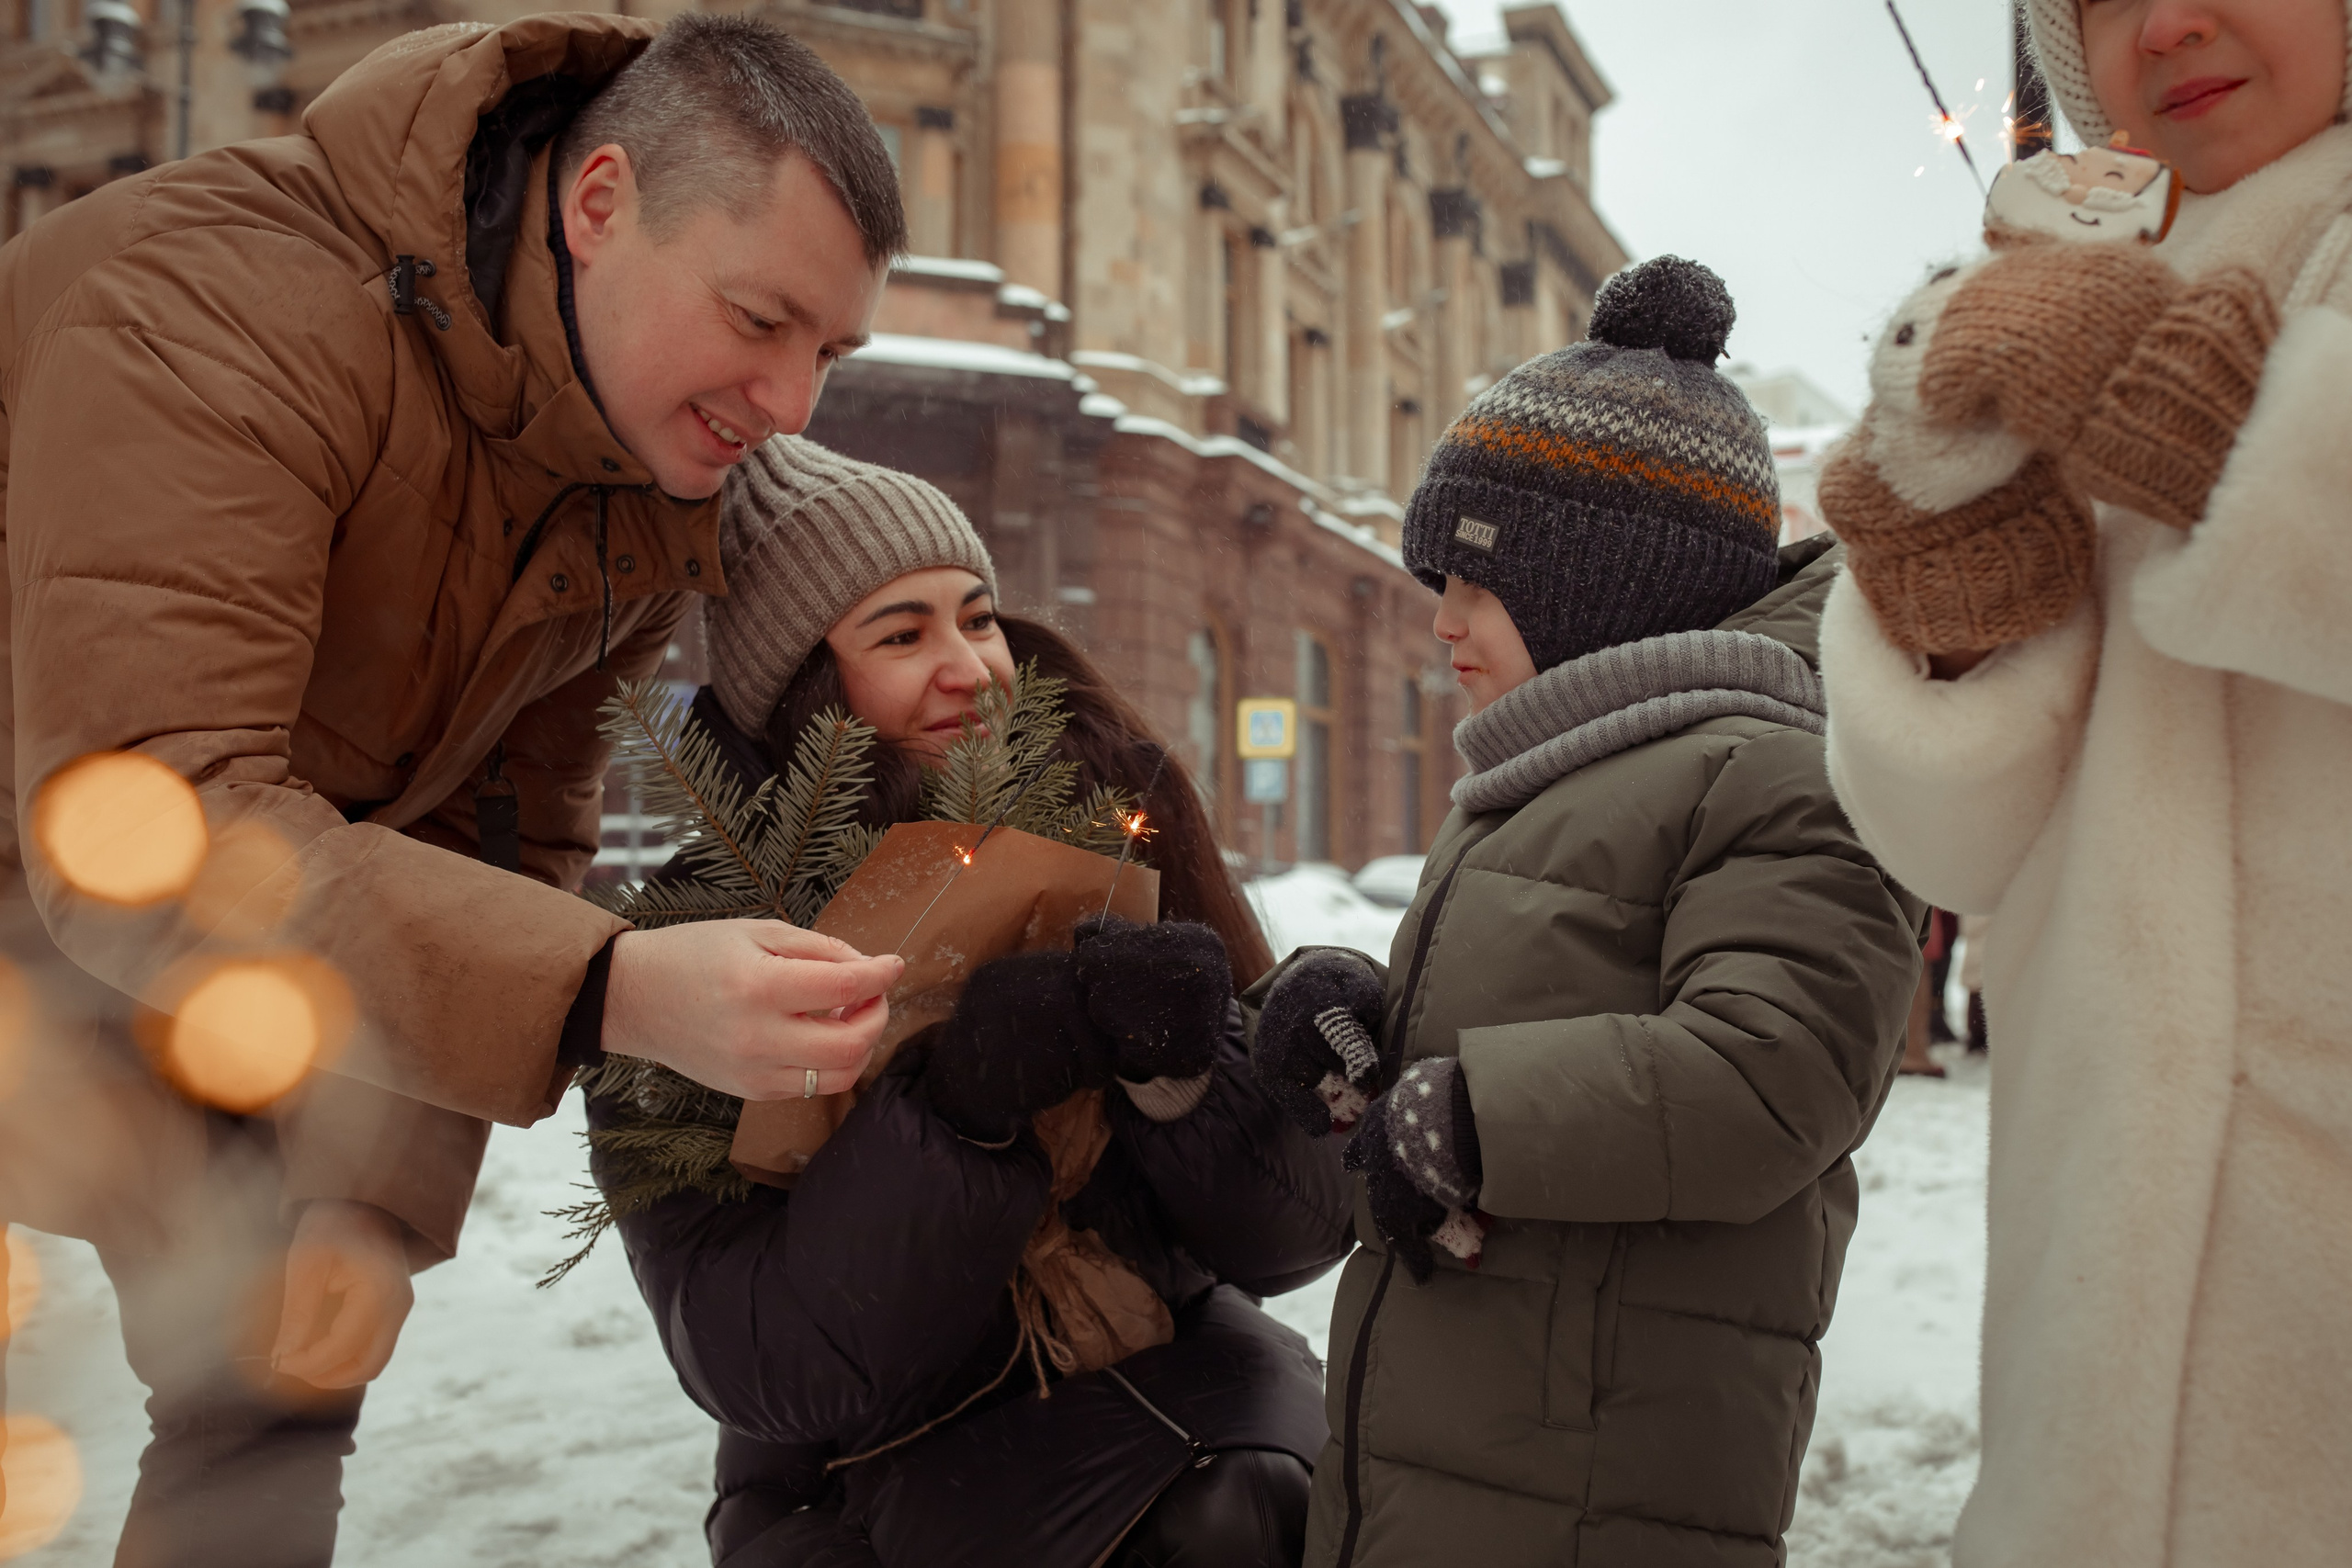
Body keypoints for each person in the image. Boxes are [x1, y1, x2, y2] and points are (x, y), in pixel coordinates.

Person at [0, 15, 908, 1564]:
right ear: (599, 201)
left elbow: (502, 830)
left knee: (277, 1366)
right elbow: (144, 811)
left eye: (828, 351)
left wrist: (362, 1197)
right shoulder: (225, 302)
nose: (792, 404)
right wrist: (612, 987)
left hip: (180, 905)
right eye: (760, 319)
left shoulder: (623, 476)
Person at [1247, 257, 1923, 1568]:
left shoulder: (1777, 768)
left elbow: (1775, 1068)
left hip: (1602, 1486)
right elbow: (1549, 1009)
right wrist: (1364, 1026)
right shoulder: (1549, 776)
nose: (1440, 620)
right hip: (1462, 1453)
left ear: (1597, 582)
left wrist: (1475, 1114)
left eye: (1473, 580)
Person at [595, 436, 1351, 1568]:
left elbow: (1296, 1239)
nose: (971, 665)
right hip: (853, 1476)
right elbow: (755, 1360)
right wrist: (957, 1115)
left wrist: (1187, 1079)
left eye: (978, 616)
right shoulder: (693, 948)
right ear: (800, 687)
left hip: (1198, 1402)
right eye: (901, 635)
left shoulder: (1109, 820)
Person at [1816, 1, 2352, 1561]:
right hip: (2096, 1302)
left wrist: (2231, 437)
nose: (2164, 23)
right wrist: (1945, 570)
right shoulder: (2084, 285)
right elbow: (1959, 840)